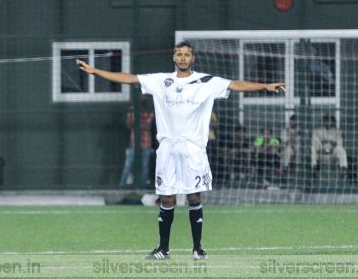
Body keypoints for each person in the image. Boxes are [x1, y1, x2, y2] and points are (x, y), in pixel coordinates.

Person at [77, 41, 285, 260]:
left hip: (193, 149)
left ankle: (197, 248)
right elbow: (129, 78)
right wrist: (95, 71)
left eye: (187, 54)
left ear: (192, 58)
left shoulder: (206, 81)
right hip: (167, 148)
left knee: (194, 196)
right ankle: (163, 249)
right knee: (167, 199)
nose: (183, 57)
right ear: (174, 58)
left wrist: (265, 86)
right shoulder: (160, 81)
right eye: (179, 54)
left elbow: (236, 84)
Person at [118, 96, 155, 187]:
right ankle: (121, 186)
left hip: (146, 142)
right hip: (133, 142)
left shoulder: (149, 111)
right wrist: (135, 117)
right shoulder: (132, 110)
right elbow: (129, 124)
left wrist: (138, 123)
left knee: (145, 166)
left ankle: (141, 186)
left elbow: (147, 125)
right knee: (128, 165)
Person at [280, 114, 301, 180]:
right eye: (292, 121)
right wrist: (293, 136)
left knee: (298, 149)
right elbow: (286, 141)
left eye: (295, 121)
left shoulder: (301, 130)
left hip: (299, 149)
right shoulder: (285, 130)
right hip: (288, 148)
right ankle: (285, 169)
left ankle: (299, 172)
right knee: (289, 150)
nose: (293, 122)